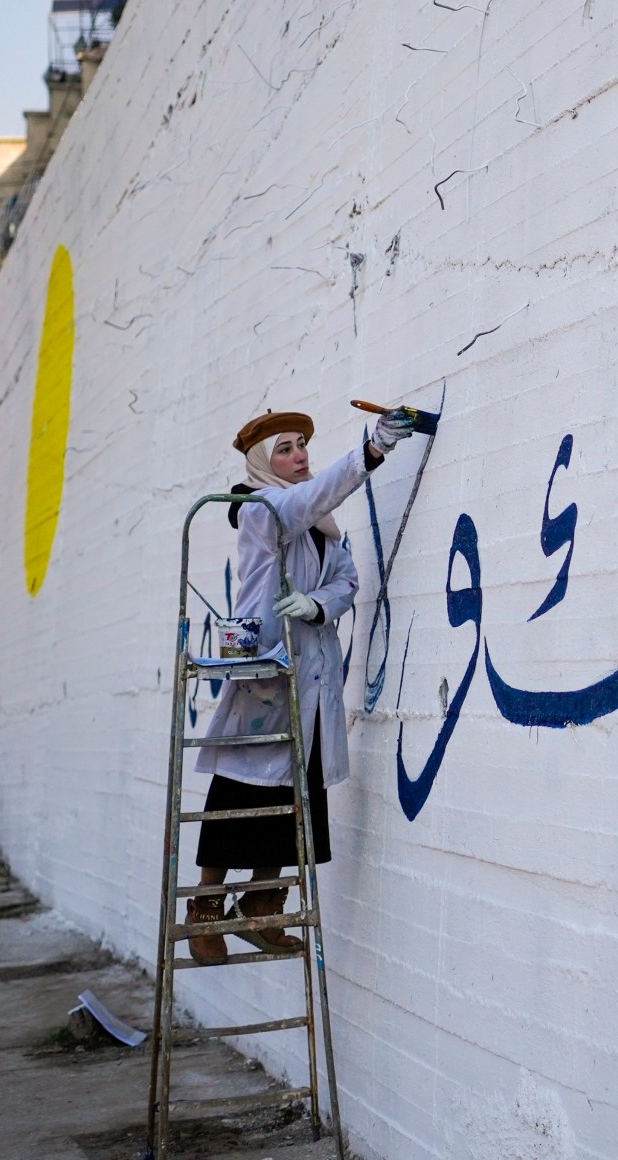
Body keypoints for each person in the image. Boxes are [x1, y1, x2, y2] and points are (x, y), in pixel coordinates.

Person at [184, 407, 411, 963]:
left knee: (292, 800)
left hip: (309, 680)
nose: (299, 455)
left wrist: (318, 606)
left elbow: (347, 580)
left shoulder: (321, 529)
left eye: (302, 445)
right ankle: (204, 915)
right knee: (239, 795)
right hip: (266, 679)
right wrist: (371, 452)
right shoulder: (261, 509)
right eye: (284, 449)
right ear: (263, 463)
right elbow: (311, 497)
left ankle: (261, 907)